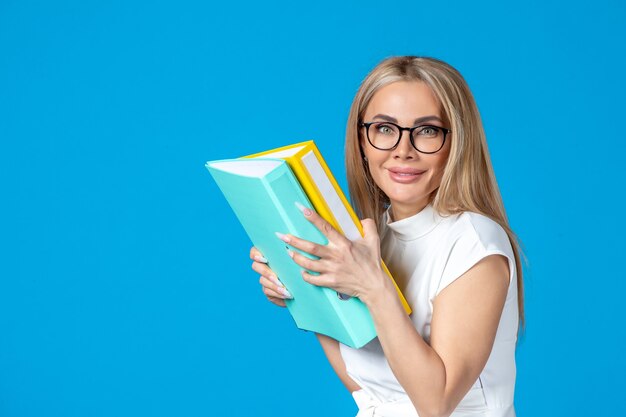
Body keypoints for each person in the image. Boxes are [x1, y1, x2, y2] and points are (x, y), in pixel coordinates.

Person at [250, 56, 524, 417]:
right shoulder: (371, 239)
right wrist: (306, 286)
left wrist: (374, 288)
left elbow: (435, 402)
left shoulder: (474, 241)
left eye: (427, 131)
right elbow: (368, 387)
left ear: (456, 144)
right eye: (384, 129)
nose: (402, 150)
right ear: (362, 141)